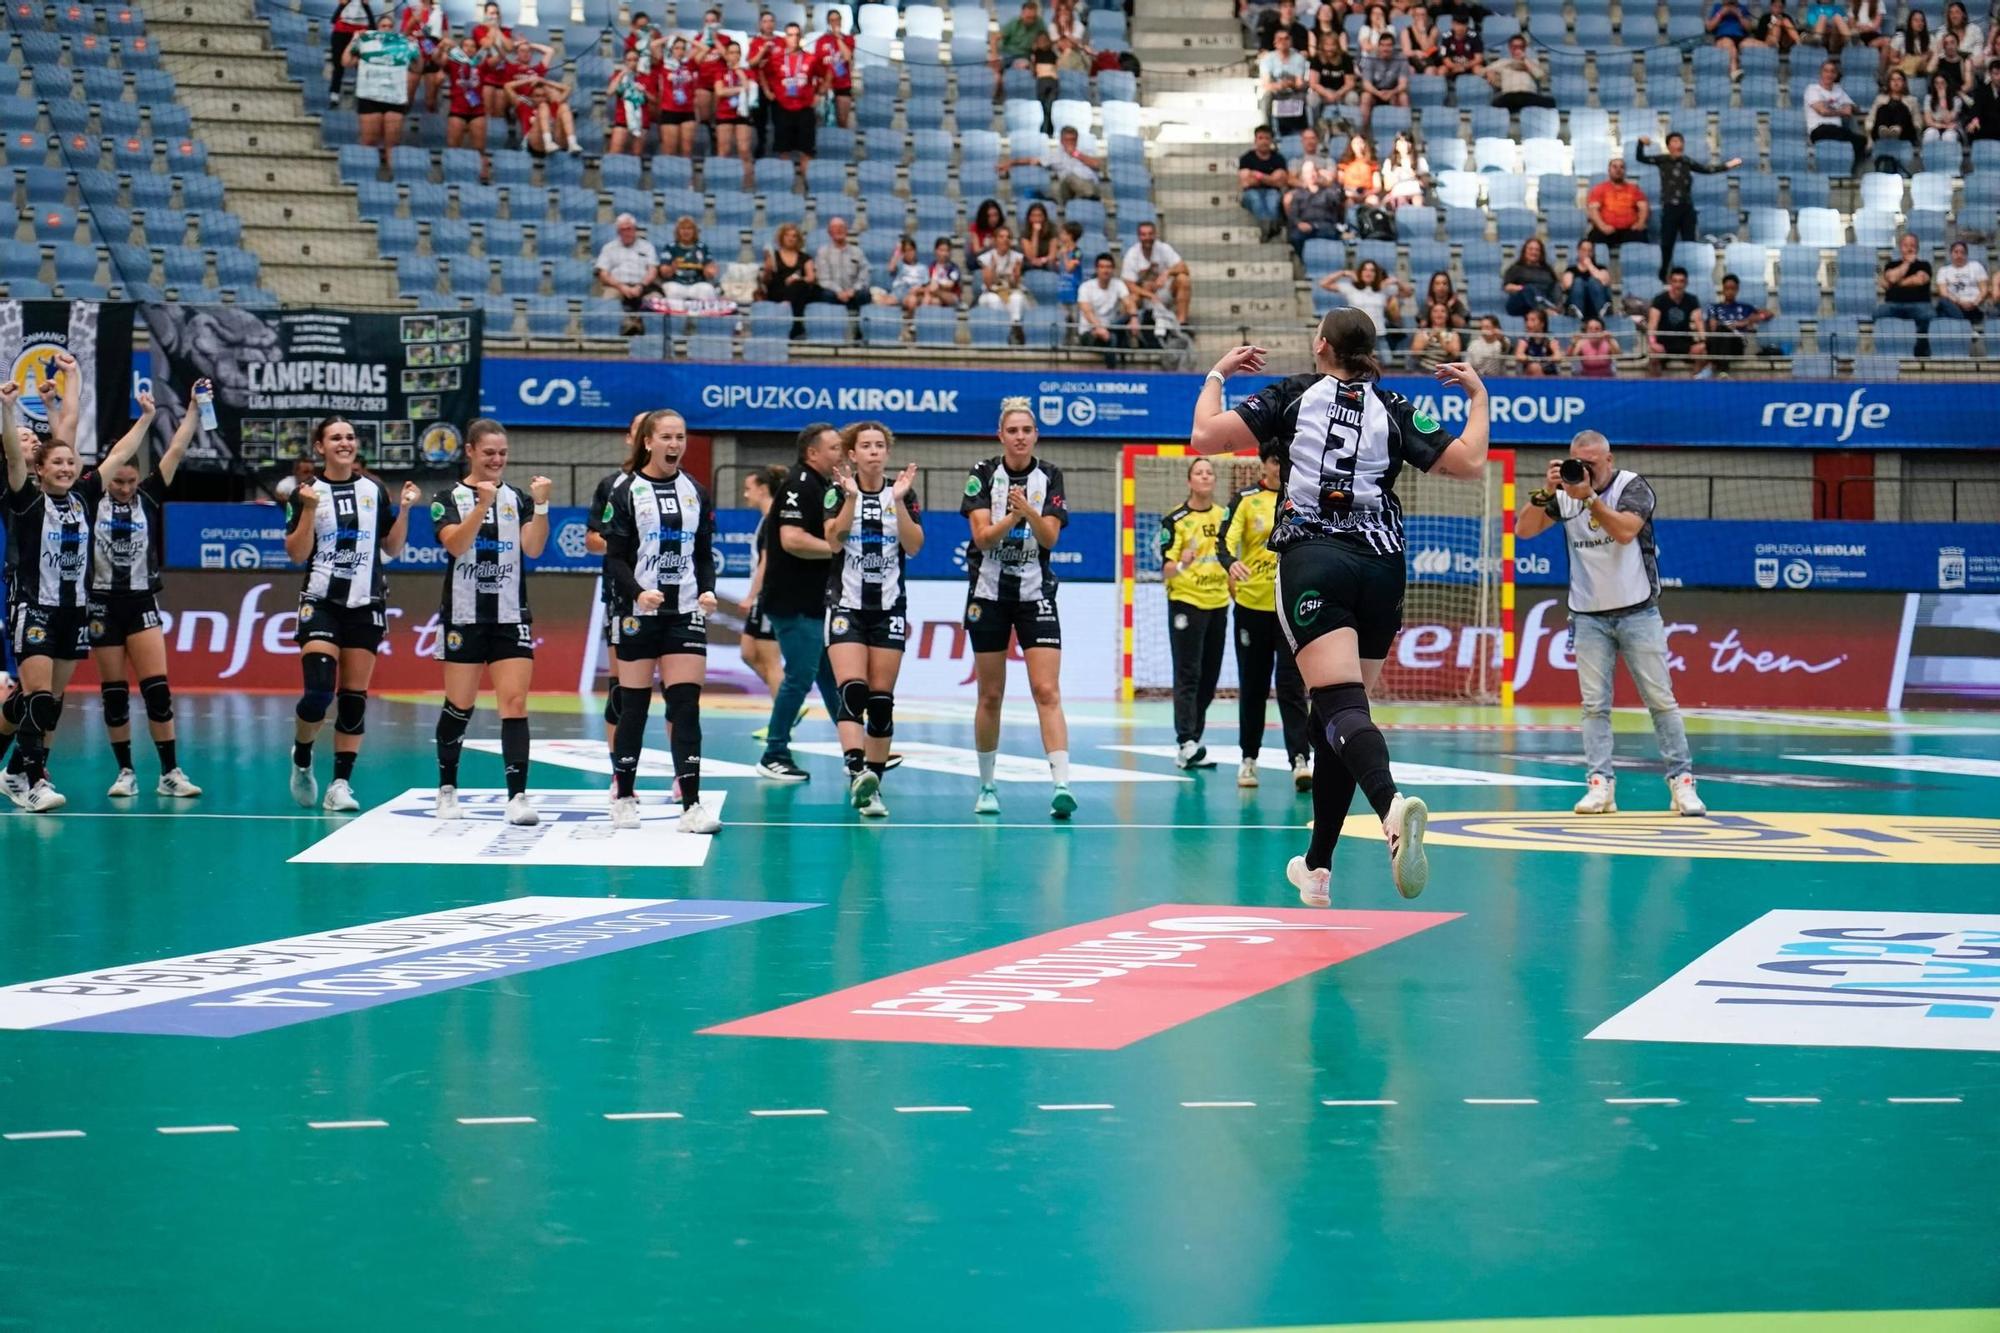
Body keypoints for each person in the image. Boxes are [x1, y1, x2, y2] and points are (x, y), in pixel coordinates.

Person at [1189, 313, 1493, 906]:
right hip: (1383, 568)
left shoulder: (1292, 394)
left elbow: (1205, 436)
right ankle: (1318, 867)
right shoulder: (1397, 406)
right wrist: (1479, 395)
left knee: (1336, 705)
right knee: (1337, 715)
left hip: (1315, 559)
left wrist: (1216, 374)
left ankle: (1390, 807)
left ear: (1321, 345)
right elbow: (1471, 462)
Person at [1516, 430, 1705, 817]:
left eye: (1592, 463)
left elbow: (1623, 532)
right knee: (1593, 707)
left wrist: (1589, 498)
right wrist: (1545, 492)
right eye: (1577, 462)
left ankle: (1682, 783)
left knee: (1660, 701)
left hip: (1638, 611)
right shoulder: (1565, 493)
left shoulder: (1632, 486)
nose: (1584, 469)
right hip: (1587, 615)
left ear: (1609, 460)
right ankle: (1600, 785)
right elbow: (1524, 530)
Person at [0, 386, 159, 811]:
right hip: (33, 606)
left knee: (44, 702)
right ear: (40, 469)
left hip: (74, 612)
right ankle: (32, 782)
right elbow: (15, 457)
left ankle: (13, 770)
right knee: (37, 698)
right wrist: (6, 408)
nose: (67, 467)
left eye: (72, 462)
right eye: (57, 462)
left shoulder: (85, 498)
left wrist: (144, 419)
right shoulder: (26, 501)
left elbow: (119, 455)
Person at [284, 417, 421, 813]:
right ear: (320, 447)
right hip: (322, 601)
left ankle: (340, 784)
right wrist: (309, 510)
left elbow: (391, 548)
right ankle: (303, 754)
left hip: (366, 603)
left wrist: (407, 510)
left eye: (349, 437)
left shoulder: (373, 489)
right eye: (335, 438)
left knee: (353, 699)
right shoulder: (305, 493)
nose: (344, 443)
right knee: (319, 692)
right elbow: (296, 554)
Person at [601, 408, 721, 834]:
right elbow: (613, 557)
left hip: (684, 611)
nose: (675, 445)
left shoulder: (697, 491)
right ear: (648, 442)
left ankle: (691, 805)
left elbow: (703, 553)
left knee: (685, 706)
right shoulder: (626, 491)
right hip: (637, 612)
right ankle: (626, 795)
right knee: (633, 706)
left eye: (681, 437)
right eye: (666, 437)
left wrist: (707, 588)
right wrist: (638, 592)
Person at [84, 386, 204, 802]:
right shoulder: (88, 500)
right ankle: (125, 772)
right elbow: (114, 460)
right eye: (118, 480)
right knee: (114, 693)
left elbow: (176, 447)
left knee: (157, 689)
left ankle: (170, 771)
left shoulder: (148, 497)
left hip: (141, 602)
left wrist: (192, 409)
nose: (124, 487)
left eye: (131, 481)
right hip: (101, 602)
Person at [429, 420, 551, 827]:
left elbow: (533, 548)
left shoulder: (518, 498)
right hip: (464, 616)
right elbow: (456, 544)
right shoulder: (446, 498)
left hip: (510, 616)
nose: (497, 460)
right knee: (459, 706)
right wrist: (482, 505)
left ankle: (517, 796)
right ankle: (447, 788)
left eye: (502, 453)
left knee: (514, 704)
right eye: (489, 453)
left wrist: (543, 505)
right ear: (470, 452)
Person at [961, 401, 1075, 819]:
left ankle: (1062, 783)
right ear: (1001, 435)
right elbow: (983, 539)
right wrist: (1012, 517)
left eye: (1027, 429)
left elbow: (1049, 539)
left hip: (1036, 594)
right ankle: (987, 785)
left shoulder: (1051, 476)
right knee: (990, 694)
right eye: (1013, 430)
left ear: (1035, 435)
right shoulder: (982, 474)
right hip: (988, 594)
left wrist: (1028, 509)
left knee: (1047, 690)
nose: (1021, 436)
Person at [822, 422, 922, 819]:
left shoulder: (904, 493)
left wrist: (896, 501)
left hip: (889, 607)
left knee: (881, 703)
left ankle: (873, 787)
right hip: (846, 605)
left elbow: (914, 546)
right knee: (853, 691)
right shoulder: (836, 492)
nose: (874, 452)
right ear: (852, 454)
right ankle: (855, 770)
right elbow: (834, 540)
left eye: (880, 445)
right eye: (866, 446)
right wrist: (849, 498)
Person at [1218, 446, 1312, 792]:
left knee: (1291, 686)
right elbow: (1223, 541)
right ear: (1265, 464)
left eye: (1287, 461)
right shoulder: (1245, 499)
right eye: (1276, 461)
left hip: (1291, 608)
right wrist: (1230, 563)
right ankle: (1248, 760)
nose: (1281, 467)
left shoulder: (1304, 497)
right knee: (1253, 686)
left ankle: (1300, 759)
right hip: (1252, 607)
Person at [756, 423, 846, 781]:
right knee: (799, 677)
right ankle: (774, 752)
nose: (842, 453)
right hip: (793, 601)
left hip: (814, 601)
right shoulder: (800, 485)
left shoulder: (824, 486)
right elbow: (792, 539)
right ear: (813, 453)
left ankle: (857, 749)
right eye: (836, 448)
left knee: (829, 678)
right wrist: (838, 551)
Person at [1159, 459, 1230, 769]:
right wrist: (1184, 562)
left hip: (1218, 602)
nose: (1205, 476)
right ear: (1190, 480)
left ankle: (1193, 741)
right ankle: (1186, 740)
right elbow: (1166, 570)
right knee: (1188, 673)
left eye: (1209, 472)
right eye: (1199, 472)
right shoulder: (1175, 520)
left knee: (1209, 678)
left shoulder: (1225, 516)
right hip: (1186, 602)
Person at [586, 414, 644, 760]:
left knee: (677, 691)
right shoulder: (612, 486)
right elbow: (592, 539)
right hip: (622, 596)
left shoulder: (685, 486)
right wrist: (627, 545)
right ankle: (619, 771)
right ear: (631, 438)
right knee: (621, 686)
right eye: (641, 432)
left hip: (672, 597)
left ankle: (682, 776)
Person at [1635, 133, 1742, 281]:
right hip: (1670, 209)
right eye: (1675, 141)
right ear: (1669, 145)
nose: (1679, 143)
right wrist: (1640, 143)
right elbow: (1640, 158)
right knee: (1667, 244)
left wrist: (1727, 165)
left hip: (1686, 210)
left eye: (1681, 141)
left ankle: (1689, 277)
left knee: (1689, 245)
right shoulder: (1662, 160)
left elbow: (1707, 169)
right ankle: (1663, 276)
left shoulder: (1687, 161)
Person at [345, 10, 419, 167]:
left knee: (393, 144)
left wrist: (416, 49)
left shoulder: (403, 44)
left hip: (395, 98)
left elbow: (418, 68)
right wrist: (354, 40)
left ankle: (394, 179)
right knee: (369, 141)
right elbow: (346, 62)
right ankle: (364, 174)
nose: (387, 28)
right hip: (369, 96)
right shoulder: (366, 42)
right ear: (377, 27)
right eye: (383, 25)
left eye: (390, 26)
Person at [738, 464, 788, 697]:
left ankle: (783, 715)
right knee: (748, 652)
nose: (745, 494)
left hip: (771, 596)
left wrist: (750, 596)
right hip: (763, 598)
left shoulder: (773, 520)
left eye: (749, 488)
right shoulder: (766, 520)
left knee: (771, 660)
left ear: (763, 489)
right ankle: (787, 701)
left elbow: (766, 563)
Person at [1004, 124, 1103, 205]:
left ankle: (1087, 199)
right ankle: (1089, 198)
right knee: (1069, 177)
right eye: (1067, 140)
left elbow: (1097, 165)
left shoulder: (1086, 152)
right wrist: (1012, 162)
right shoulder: (1055, 156)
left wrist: (1076, 154)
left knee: (1085, 183)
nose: (1070, 143)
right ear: (1061, 141)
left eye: (1073, 140)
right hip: (1068, 191)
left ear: (1077, 139)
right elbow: (1032, 160)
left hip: (1090, 185)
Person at [767, 22, 822, 168]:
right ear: (785, 38)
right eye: (790, 35)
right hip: (783, 108)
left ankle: (807, 186)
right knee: (783, 150)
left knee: (806, 151)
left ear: (801, 37)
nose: (794, 38)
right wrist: (767, 91)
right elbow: (761, 72)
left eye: (797, 35)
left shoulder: (811, 58)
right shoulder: (776, 58)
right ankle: (785, 185)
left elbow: (826, 74)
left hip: (804, 109)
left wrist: (819, 94)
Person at [1122, 221, 1192, 330]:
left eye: (1150, 234)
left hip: (1164, 292)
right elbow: (1129, 285)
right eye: (1144, 234)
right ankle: (1131, 332)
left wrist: (1167, 272)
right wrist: (1149, 295)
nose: (1147, 237)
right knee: (1130, 298)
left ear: (1155, 235)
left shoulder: (1164, 248)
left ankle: (1182, 325)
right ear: (1139, 236)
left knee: (1183, 279)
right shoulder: (1132, 254)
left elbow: (1184, 268)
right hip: (1144, 296)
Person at [760, 221, 823, 336]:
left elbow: (811, 278)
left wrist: (797, 280)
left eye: (794, 236)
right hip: (778, 291)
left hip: (799, 291)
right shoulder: (774, 256)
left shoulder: (805, 258)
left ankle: (788, 313)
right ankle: (796, 326)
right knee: (792, 291)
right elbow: (766, 281)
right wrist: (767, 270)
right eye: (787, 235)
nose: (791, 238)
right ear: (781, 237)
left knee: (799, 286)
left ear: (798, 239)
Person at [1875, 231, 1934, 352]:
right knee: (1878, 313)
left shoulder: (1924, 264)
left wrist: (1897, 283)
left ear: (1917, 248)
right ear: (1900, 247)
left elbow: (1919, 280)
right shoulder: (1891, 264)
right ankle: (1889, 349)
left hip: (1919, 304)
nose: (1909, 248)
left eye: (1912, 245)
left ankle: (1920, 351)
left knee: (1929, 315)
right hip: (1893, 305)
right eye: (1906, 245)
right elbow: (1891, 277)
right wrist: (1907, 263)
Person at [1076, 251, 1140, 364]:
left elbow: (1129, 302)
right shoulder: (1085, 287)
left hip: (1111, 327)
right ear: (1096, 269)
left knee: (1131, 315)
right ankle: (1113, 373)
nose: (1105, 270)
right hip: (1090, 331)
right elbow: (1087, 312)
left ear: (1113, 269)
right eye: (1102, 267)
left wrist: (1134, 318)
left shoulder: (1118, 284)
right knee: (1113, 338)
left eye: (1109, 267)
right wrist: (1099, 328)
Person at [1805, 60, 1868, 171]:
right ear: (1821, 73)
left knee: (1861, 140)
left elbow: (1853, 108)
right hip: (1818, 130)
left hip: (1837, 130)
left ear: (1836, 75)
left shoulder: (1838, 90)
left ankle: (1852, 171)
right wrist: (1842, 111)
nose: (1829, 74)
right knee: (1834, 131)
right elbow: (1822, 111)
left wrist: (1850, 107)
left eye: (1832, 72)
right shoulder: (1812, 89)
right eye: (1826, 71)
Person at [1702, 272, 1774, 369]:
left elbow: (1769, 314)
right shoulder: (1714, 308)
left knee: (1724, 334)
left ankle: (1714, 366)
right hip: (1718, 342)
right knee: (1722, 331)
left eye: (1733, 289)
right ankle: (1722, 370)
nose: (1730, 292)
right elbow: (1713, 327)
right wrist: (1728, 326)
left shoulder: (1745, 308)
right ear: (1723, 289)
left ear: (1737, 290)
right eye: (1727, 288)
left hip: (1736, 345)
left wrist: (1747, 321)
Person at [596, 213, 660, 321]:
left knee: (656, 300)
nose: (626, 233)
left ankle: (639, 325)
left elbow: (652, 271)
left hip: (644, 286)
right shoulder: (609, 248)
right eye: (622, 230)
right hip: (617, 286)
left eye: (629, 229)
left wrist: (640, 286)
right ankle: (626, 325)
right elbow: (603, 273)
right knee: (608, 300)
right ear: (618, 232)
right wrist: (621, 287)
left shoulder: (647, 247)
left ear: (635, 229)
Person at [1322, 260, 1405, 338]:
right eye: (1365, 269)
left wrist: (1397, 281)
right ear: (1360, 272)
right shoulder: (1350, 288)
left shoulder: (1383, 289)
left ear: (1376, 274)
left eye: (1372, 270)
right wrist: (1343, 273)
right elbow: (1324, 284)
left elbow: (1407, 292)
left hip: (1379, 334)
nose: (1368, 273)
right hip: (1358, 335)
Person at [1646, 266, 1706, 373]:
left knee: (1703, 351)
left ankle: (1696, 382)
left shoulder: (1692, 300)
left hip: (1684, 342)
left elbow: (1699, 322)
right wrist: (1652, 343)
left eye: (1681, 281)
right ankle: (1655, 385)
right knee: (1652, 352)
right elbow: (1652, 324)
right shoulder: (1659, 300)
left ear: (1686, 283)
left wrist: (1703, 341)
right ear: (1670, 282)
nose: (1678, 285)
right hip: (1664, 342)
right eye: (1675, 281)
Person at [1238, 125, 1292, 240]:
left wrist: (1257, 175)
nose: (1264, 141)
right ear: (1255, 140)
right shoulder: (1246, 158)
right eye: (1260, 138)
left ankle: (1266, 230)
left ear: (1271, 140)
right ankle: (1270, 229)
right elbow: (1245, 183)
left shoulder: (1278, 158)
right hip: (1251, 193)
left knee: (1273, 201)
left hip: (1272, 191)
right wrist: (1270, 179)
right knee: (1256, 199)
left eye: (1267, 138)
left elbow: (1280, 182)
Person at [652, 37, 702, 158]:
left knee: (687, 151)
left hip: (688, 111)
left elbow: (704, 48)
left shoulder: (690, 64)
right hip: (669, 110)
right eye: (677, 48)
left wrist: (685, 38)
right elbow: (653, 45)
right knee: (669, 151)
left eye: (683, 48)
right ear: (671, 49)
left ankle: (688, 177)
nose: (680, 51)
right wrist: (670, 37)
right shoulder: (664, 64)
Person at [1585, 156, 1649, 249]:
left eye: (1621, 167)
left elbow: (1643, 207)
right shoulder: (1599, 189)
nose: (1618, 170)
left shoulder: (1634, 189)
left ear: (1625, 171)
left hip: (1629, 230)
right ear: (1609, 170)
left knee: (1640, 238)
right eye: (1615, 167)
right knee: (1593, 241)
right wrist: (1602, 226)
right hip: (1605, 230)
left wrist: (1640, 223)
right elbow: (1593, 210)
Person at [443, 32, 490, 153]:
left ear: (476, 50)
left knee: (480, 151)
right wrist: (442, 47)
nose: (469, 48)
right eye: (466, 45)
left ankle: (482, 171)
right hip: (457, 111)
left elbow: (500, 58)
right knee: (453, 149)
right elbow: (437, 60)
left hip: (478, 111)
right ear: (461, 49)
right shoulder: (453, 63)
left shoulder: (482, 65)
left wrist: (492, 45)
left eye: (473, 46)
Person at [657, 215, 720, 306]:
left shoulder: (702, 248)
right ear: (677, 231)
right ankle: (676, 319)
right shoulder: (670, 247)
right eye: (682, 228)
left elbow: (710, 270)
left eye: (689, 228)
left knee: (707, 289)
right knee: (672, 291)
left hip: (697, 284)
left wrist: (710, 271)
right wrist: (672, 268)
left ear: (694, 231)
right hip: (676, 283)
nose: (686, 231)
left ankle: (704, 319)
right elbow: (664, 272)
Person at [815, 216, 871, 317]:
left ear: (846, 230)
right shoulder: (823, 252)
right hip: (833, 293)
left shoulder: (857, 251)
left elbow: (864, 276)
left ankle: (859, 327)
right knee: (825, 294)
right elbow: (823, 279)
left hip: (853, 293)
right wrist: (839, 292)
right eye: (835, 227)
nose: (839, 230)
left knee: (865, 294)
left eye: (842, 227)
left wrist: (853, 290)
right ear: (829, 232)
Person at [1261, 28, 1313, 135]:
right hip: (1276, 92)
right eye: (1280, 39)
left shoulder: (1298, 58)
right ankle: (1267, 130)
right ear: (1275, 43)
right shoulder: (1268, 59)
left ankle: (1309, 131)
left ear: (1291, 41)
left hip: (1294, 91)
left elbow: (1299, 82)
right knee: (1266, 97)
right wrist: (1280, 85)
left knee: (1309, 99)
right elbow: (1266, 84)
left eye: (1286, 38)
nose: (1283, 42)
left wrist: (1292, 84)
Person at [977, 224, 1030, 326]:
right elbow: (988, 285)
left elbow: (1015, 285)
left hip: (1010, 291)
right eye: (1001, 237)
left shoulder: (1017, 257)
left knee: (1017, 298)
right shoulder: (986, 258)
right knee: (993, 299)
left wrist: (1016, 274)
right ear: (995, 240)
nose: (1005, 239)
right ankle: (1001, 328)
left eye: (1008, 237)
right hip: (992, 292)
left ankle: (1015, 328)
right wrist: (992, 268)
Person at [1357, 33, 1410, 131]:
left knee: (1404, 97)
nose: (1385, 49)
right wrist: (1378, 93)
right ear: (1378, 46)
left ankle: (1406, 132)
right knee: (1365, 97)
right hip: (1375, 92)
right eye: (1383, 45)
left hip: (1393, 92)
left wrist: (1392, 92)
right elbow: (1366, 84)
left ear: (1394, 47)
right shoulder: (1370, 58)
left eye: (1389, 45)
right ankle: (1362, 132)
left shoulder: (1401, 59)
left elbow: (1403, 85)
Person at [1484, 34, 1552, 110]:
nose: (1517, 49)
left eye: (1521, 47)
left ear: (1524, 48)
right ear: (1510, 48)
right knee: (1495, 105)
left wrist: (1525, 60)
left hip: (1529, 95)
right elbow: (1483, 71)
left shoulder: (1532, 62)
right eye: (1514, 47)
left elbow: (1540, 75)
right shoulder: (1502, 62)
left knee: (1550, 102)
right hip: (1509, 95)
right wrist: (1489, 72)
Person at [328, 0, 376, 106]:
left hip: (361, 30)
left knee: (362, 65)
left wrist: (366, 5)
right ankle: (334, 93)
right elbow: (333, 19)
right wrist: (343, 4)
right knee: (338, 64)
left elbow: (373, 26)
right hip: (341, 30)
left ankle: (362, 95)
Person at [815, 7, 855, 128]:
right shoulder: (821, 41)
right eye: (832, 20)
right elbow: (817, 62)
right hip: (826, 84)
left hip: (843, 84)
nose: (835, 22)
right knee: (823, 120)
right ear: (828, 23)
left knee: (842, 121)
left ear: (841, 21)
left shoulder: (848, 39)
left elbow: (847, 56)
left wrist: (838, 38)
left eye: (837, 19)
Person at [1503, 236, 1563, 316]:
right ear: (1524, 251)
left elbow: (1554, 287)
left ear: (1541, 253)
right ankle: (1543, 311)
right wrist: (1522, 288)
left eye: (1537, 250)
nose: (1533, 252)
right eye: (1530, 249)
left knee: (1556, 286)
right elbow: (1507, 287)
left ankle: (1557, 309)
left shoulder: (1547, 269)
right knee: (1529, 288)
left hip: (1543, 298)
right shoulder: (1516, 268)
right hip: (1521, 303)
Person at [1936, 240, 1988, 325]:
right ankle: (1965, 325)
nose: (1959, 255)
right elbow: (1944, 293)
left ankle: (1963, 324)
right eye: (1956, 252)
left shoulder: (1976, 266)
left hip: (1974, 306)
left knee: (1943, 315)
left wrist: (1974, 303)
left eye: (1962, 252)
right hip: (1955, 306)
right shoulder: (1944, 270)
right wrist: (1960, 302)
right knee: (1943, 301)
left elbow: (1984, 290)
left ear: (1966, 255)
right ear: (1951, 254)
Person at [1563, 238, 1614, 322]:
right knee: (1578, 282)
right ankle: (1577, 314)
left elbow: (1605, 281)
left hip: (1596, 305)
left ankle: (1603, 313)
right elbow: (1567, 285)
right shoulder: (1571, 270)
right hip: (1577, 303)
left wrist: (1590, 266)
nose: (1586, 253)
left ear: (1593, 252)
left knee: (1593, 281)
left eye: (1589, 250)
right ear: (1578, 251)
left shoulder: (1601, 268)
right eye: (1583, 250)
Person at [1871, 68, 1922, 148]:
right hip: (1881, 132)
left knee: (1902, 108)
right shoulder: (1880, 99)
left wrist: (1916, 127)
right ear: (1889, 82)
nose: (1896, 82)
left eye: (1899, 79)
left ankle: (1897, 130)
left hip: (1905, 133)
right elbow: (1871, 118)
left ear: (1904, 83)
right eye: (1893, 79)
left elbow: (1918, 121)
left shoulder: (1912, 100)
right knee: (1883, 108)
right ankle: (1883, 130)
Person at [1409, 300, 1463, 368]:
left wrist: (1440, 339)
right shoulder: (1422, 332)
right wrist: (1429, 337)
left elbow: (1455, 355)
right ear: (1430, 314)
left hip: (1446, 371)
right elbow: (1414, 353)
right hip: (1424, 371)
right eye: (1435, 311)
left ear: (1447, 315)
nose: (1439, 314)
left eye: (1442, 311)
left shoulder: (1453, 334)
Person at [885, 235, 931, 314]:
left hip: (913, 295)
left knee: (913, 300)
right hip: (898, 294)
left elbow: (927, 287)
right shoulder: (900, 264)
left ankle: (910, 323)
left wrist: (918, 289)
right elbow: (891, 268)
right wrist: (898, 249)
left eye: (911, 250)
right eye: (905, 251)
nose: (908, 253)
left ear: (915, 251)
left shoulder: (923, 268)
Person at [1922, 71, 1968, 145]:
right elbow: (1928, 122)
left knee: (1948, 136)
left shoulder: (1956, 100)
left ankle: (1950, 156)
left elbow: (1948, 119)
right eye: (1936, 83)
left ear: (1947, 84)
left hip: (1952, 129)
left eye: (1942, 83)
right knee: (1930, 133)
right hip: (1935, 126)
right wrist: (1944, 126)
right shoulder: (1928, 98)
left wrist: (1943, 99)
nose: (1939, 86)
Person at [1707, 0, 1752, 73]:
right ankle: (1734, 71)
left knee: (1750, 44)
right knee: (1729, 44)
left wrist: (1739, 15)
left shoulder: (1742, 8)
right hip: (1723, 38)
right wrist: (1721, 14)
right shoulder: (1717, 7)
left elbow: (1749, 28)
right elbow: (1709, 27)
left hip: (1740, 39)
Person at [1514, 308, 1561, 375]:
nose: (1528, 323)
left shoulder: (1550, 337)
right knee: (1534, 367)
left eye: (1532, 320)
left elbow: (1558, 356)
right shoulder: (1525, 338)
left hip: (1549, 374)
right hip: (1530, 374)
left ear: (1542, 324)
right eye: (1527, 320)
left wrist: (1546, 359)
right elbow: (1519, 355)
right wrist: (1533, 360)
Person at [1437, 13, 1483, 80]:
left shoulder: (1475, 36)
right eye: (1457, 24)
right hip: (1452, 67)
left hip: (1470, 65)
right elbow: (1444, 58)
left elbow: (1478, 59)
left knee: (1478, 69)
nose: (1460, 27)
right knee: (1441, 70)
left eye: (1463, 24)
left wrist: (1464, 67)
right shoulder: (1445, 37)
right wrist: (1454, 67)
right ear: (1452, 24)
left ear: (1467, 25)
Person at [923, 236, 963, 308]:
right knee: (930, 299)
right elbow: (927, 285)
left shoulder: (953, 268)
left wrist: (937, 286)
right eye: (941, 250)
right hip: (934, 297)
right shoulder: (931, 267)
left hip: (951, 297)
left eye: (946, 250)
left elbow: (950, 286)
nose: (944, 254)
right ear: (936, 251)